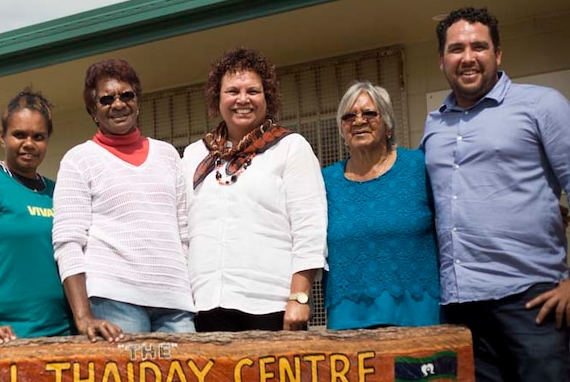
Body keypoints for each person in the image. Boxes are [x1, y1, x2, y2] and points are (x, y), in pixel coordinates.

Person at [421, 7, 570, 380]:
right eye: (456, 49)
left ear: (498, 54)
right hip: (460, 307)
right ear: (442, 60)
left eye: (478, 47)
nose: (468, 57)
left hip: (532, 302)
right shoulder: (434, 124)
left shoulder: (541, 105)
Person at [183, 47, 327, 332]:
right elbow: (182, 231)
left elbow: (309, 227)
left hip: (270, 306)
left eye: (253, 91)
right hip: (203, 306)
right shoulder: (193, 155)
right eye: (232, 91)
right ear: (217, 98)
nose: (242, 99)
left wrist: (299, 297)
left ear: (267, 96)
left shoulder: (290, 147)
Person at [52, 58, 194, 342]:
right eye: (106, 99)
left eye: (126, 95)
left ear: (137, 101)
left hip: (176, 305)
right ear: (94, 111)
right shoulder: (79, 160)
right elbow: (68, 242)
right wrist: (83, 317)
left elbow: (185, 232)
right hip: (114, 301)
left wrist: (189, 293)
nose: (118, 104)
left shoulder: (168, 155)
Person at [0, 88, 72, 344]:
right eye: (19, 135)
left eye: (38, 136)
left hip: (63, 335)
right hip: (6, 338)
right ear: (2, 136)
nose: (29, 143)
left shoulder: (57, 191)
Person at [322, 81, 440, 330]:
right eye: (349, 116)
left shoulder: (419, 167)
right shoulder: (326, 182)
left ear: (388, 125)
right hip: (349, 325)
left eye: (369, 113)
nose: (358, 121)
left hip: (418, 320)